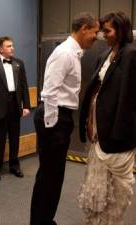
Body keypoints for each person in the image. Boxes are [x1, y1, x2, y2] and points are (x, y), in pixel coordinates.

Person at [30, 12, 99, 225]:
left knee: (55, 176)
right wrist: (52, 127)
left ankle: (45, 219)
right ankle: (39, 222)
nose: (96, 37)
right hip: (55, 117)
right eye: (95, 32)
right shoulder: (65, 53)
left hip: (60, 117)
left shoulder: (74, 53)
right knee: (49, 175)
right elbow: (49, 91)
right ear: (84, 28)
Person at [77, 11, 136, 225]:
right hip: (98, 127)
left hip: (117, 134)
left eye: (108, 30)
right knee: (98, 185)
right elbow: (95, 90)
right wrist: (88, 120)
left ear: (121, 30)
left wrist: (116, 134)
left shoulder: (131, 54)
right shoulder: (104, 54)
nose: (103, 35)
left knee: (118, 191)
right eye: (102, 30)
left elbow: (129, 100)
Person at [0, 36, 31, 181]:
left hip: (15, 106)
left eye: (12, 45)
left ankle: (15, 166)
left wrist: (26, 105)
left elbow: (24, 86)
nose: (12, 48)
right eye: (9, 46)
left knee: (15, 138)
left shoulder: (19, 63)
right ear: (0, 49)